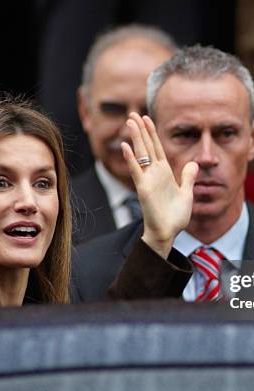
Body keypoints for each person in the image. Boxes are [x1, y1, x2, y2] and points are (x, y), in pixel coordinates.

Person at [72, 45, 254, 315]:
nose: (207, 156)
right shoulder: (87, 271)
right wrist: (154, 253)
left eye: (226, 134)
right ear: (153, 139)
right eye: (185, 134)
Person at [0, 97, 198, 313]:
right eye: (0, 182)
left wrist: (158, 236)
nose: (29, 202)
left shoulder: (47, 306)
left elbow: (104, 354)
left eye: (43, 183)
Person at [72, 25, 176, 244]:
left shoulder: (210, 211)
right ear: (85, 110)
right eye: (113, 110)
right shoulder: (53, 212)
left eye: (149, 112)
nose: (131, 130)